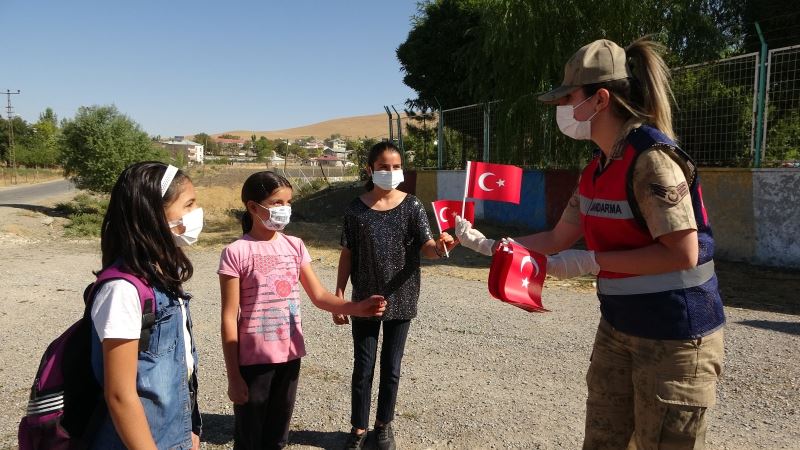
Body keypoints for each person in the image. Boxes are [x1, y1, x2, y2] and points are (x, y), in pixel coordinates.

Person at [456, 38, 725, 449]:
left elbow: (682, 254)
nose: (562, 109)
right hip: (618, 326)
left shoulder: (650, 160)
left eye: (568, 98)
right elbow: (555, 238)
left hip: (675, 337)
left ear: (600, 100)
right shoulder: (595, 170)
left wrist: (590, 262)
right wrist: (490, 245)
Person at [218, 171, 387, 450]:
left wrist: (358, 307)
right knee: (249, 437)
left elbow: (319, 296)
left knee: (277, 437)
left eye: (288, 202)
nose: (284, 209)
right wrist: (234, 376)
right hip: (253, 362)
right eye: (276, 203)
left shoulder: (295, 246)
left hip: (289, 356)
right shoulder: (236, 252)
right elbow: (228, 317)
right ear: (252, 207)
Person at [334, 142, 457, 450]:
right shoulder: (355, 209)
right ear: (369, 170)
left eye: (395, 167)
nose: (391, 172)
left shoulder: (412, 205)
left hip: (402, 297)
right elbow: (347, 254)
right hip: (364, 299)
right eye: (384, 167)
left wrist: (443, 246)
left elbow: (426, 248)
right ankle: (359, 428)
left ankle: (383, 425)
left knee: (391, 367)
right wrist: (339, 294)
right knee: (363, 367)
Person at [89, 162, 203, 449]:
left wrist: (185, 431)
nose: (196, 214)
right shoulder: (122, 291)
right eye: (188, 205)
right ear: (153, 214)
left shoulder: (161, 275)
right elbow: (120, 395)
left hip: (170, 435)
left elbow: (175, 370)